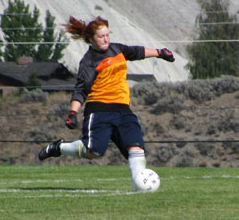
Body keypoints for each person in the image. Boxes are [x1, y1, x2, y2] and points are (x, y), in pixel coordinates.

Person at [38, 16, 175, 191]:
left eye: (107, 35)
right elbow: (80, 90)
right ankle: (59, 147)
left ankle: (139, 190)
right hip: (99, 110)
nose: (106, 39)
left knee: (136, 147)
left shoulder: (117, 49)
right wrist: (73, 113)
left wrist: (160, 52)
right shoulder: (88, 61)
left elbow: (136, 52)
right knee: (93, 152)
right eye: (101, 36)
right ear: (91, 39)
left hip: (123, 109)